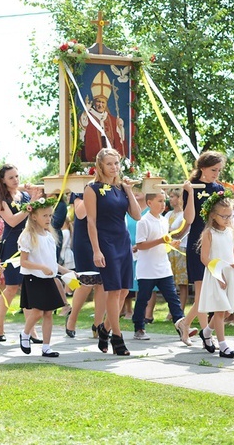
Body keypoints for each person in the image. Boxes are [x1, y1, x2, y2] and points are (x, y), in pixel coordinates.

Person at [84, 148, 142, 356]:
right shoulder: (92, 188)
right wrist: (96, 250)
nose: (114, 167)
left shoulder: (120, 188)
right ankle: (117, 337)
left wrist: (128, 190)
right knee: (114, 290)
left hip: (123, 241)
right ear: (100, 166)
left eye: (116, 163)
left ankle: (104, 329)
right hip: (105, 241)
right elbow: (90, 221)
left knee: (125, 290)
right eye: (109, 164)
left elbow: (137, 216)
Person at [133, 190, 192, 345]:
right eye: (159, 201)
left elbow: (164, 242)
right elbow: (140, 245)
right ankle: (139, 327)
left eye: (164, 200)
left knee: (173, 298)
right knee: (143, 299)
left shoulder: (164, 220)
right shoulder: (143, 221)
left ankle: (181, 326)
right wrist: (160, 241)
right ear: (149, 203)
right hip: (147, 269)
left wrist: (171, 243)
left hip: (163, 267)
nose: (163, 204)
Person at [181, 151, 226, 350]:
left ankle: (185, 323)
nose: (216, 173)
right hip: (198, 242)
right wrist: (190, 193)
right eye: (213, 170)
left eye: (219, 170)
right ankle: (205, 336)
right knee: (202, 293)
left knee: (213, 292)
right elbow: (189, 220)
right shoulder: (191, 187)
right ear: (202, 168)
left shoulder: (219, 189)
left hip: (217, 242)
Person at [0, 164, 41, 342]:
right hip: (12, 245)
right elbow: (12, 221)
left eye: (17, 176)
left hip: (28, 243)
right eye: (11, 177)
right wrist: (30, 204)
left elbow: (33, 216)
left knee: (28, 286)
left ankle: (31, 331)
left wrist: (33, 202)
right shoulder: (0, 199)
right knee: (12, 287)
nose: (15, 180)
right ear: (3, 180)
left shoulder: (24, 195)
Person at [18, 197, 69, 357]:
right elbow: (24, 262)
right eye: (45, 216)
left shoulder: (49, 236)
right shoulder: (27, 236)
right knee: (38, 311)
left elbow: (51, 262)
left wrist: (64, 271)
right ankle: (25, 334)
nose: (48, 219)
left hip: (48, 278)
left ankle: (46, 347)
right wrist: (41, 268)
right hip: (34, 278)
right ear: (34, 216)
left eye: (50, 216)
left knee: (48, 313)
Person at [197, 192, 234, 358]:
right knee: (221, 310)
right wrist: (217, 275)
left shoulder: (231, 232)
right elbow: (204, 257)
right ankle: (223, 346)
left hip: (230, 273)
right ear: (213, 215)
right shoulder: (209, 233)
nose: (227, 219)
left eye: (230, 216)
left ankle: (207, 332)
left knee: (227, 311)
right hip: (216, 273)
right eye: (224, 216)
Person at [64, 192, 106, 339]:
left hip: (104, 237)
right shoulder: (79, 189)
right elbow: (81, 214)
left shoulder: (109, 187)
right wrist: (91, 189)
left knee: (103, 283)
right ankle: (72, 318)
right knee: (86, 282)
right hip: (84, 238)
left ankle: (98, 325)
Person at [80, 71, 126, 162]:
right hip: (91, 159)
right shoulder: (88, 116)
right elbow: (81, 129)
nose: (100, 105)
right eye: (98, 101)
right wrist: (85, 112)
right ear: (94, 102)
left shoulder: (112, 120)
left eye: (103, 102)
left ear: (106, 104)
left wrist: (121, 127)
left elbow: (120, 139)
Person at [165, 189, 189, 312]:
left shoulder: (185, 214)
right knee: (171, 281)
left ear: (180, 198)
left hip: (180, 248)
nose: (170, 199)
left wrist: (168, 233)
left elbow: (179, 232)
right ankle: (172, 309)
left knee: (182, 282)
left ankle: (181, 308)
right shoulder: (168, 214)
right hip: (169, 248)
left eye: (173, 196)